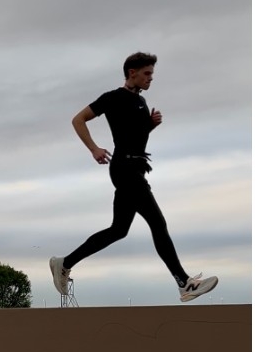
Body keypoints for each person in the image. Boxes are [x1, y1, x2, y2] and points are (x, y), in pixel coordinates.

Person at [49, 52, 218, 303]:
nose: (151, 78)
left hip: (136, 168)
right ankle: (184, 283)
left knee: (118, 230)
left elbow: (134, 136)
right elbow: (78, 120)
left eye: (152, 73)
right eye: (147, 73)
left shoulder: (141, 102)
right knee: (158, 223)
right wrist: (94, 148)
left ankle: (64, 263)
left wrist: (150, 125)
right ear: (132, 73)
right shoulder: (112, 98)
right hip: (124, 169)